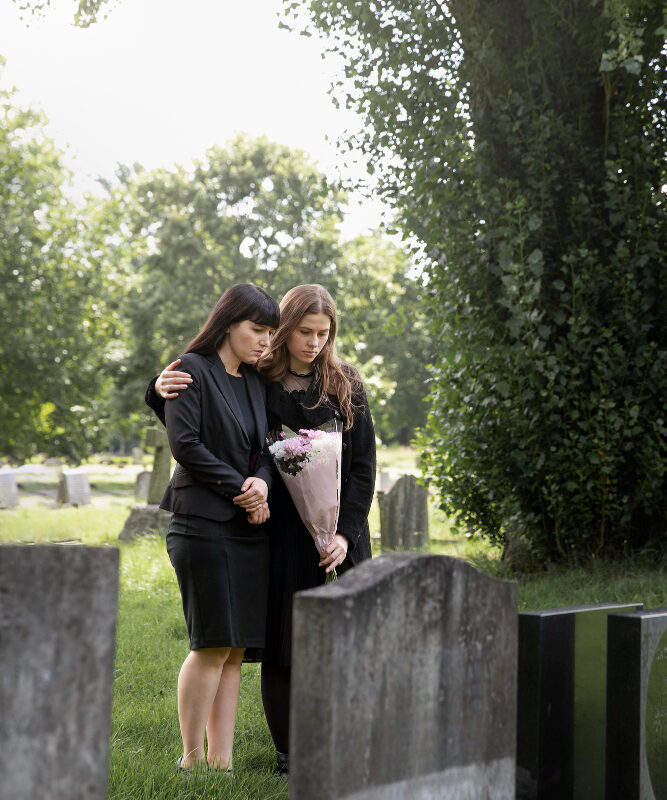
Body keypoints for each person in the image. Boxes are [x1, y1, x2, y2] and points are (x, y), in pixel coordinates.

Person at [147, 284, 375, 775]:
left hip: (338, 535)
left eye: (324, 333)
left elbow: (362, 469)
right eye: (303, 332)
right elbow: (206, 403)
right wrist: (155, 387)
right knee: (281, 644)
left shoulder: (345, 385)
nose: (314, 342)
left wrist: (344, 535)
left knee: (344, 643)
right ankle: (288, 752)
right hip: (277, 533)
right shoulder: (262, 378)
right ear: (284, 331)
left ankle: (348, 739)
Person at [154, 283, 279, 772]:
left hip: (248, 529)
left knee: (234, 650)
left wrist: (263, 486)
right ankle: (190, 759)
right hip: (200, 523)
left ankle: (221, 764)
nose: (265, 340)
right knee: (209, 643)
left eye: (271, 332)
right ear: (229, 323)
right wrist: (241, 489)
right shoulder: (189, 370)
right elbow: (184, 444)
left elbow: (266, 449)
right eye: (257, 329)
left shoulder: (253, 381)